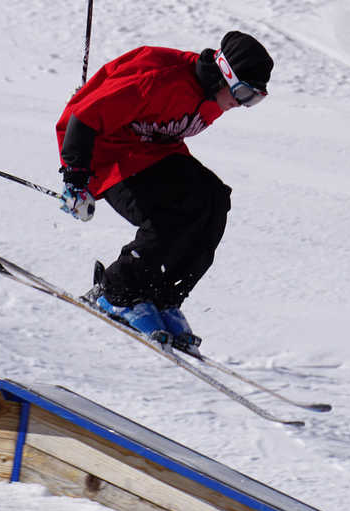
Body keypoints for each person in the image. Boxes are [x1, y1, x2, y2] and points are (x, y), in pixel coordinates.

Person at [56, 31, 274, 353]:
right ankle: (116, 292)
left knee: (213, 200)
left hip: (149, 154)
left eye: (253, 99)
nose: (241, 104)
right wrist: (75, 179)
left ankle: (163, 296)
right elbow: (83, 118)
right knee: (169, 214)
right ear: (224, 74)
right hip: (106, 157)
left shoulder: (214, 98)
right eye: (242, 93)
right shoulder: (160, 81)